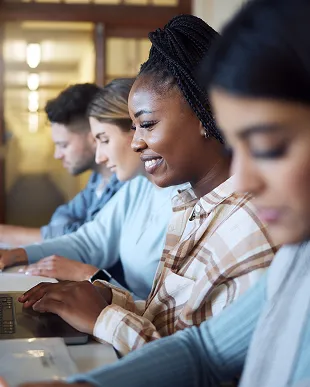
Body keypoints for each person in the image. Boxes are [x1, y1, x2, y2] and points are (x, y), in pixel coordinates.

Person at [7, 0, 310, 386]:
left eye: (268, 146)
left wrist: (106, 315)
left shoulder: (259, 227)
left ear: (203, 120)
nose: (246, 179)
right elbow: (202, 348)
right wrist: (107, 304)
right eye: (237, 142)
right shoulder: (292, 261)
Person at [0, 78, 177, 300]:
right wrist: (21, 254)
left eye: (104, 140)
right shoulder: (138, 187)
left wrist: (90, 275)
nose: (99, 156)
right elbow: (90, 241)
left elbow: (169, 315)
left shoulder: (185, 200)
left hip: (141, 326)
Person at [0, 83, 123, 246]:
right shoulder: (97, 180)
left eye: (64, 145)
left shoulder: (128, 183)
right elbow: (65, 214)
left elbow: (89, 244)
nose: (57, 155)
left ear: (95, 136)